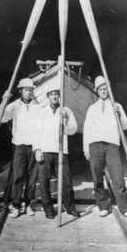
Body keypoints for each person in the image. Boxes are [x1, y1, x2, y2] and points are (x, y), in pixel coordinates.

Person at [83, 75, 127, 220]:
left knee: (118, 177)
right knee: (97, 177)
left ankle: (125, 209)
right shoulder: (92, 108)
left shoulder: (117, 106)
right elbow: (87, 129)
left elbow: (126, 126)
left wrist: (119, 115)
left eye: (106, 88)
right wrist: (85, 148)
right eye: (101, 89)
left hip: (112, 145)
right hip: (95, 145)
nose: (104, 91)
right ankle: (103, 206)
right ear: (97, 91)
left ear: (109, 89)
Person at [33, 83, 80, 219]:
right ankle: (48, 209)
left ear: (59, 96)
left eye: (56, 94)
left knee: (66, 182)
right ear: (48, 96)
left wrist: (66, 117)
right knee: (44, 182)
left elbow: (72, 130)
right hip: (46, 150)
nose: (54, 97)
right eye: (51, 94)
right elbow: (37, 132)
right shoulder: (42, 112)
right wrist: (37, 149)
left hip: (61, 151)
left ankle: (70, 208)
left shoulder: (66, 110)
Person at [0, 78, 39, 218]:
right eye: (26, 90)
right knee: (18, 176)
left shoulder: (37, 106)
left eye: (30, 90)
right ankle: (16, 205)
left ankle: (28, 205)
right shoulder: (14, 105)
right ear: (20, 91)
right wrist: (4, 100)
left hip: (33, 146)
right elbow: (0, 118)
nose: (28, 92)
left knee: (32, 177)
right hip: (19, 146)